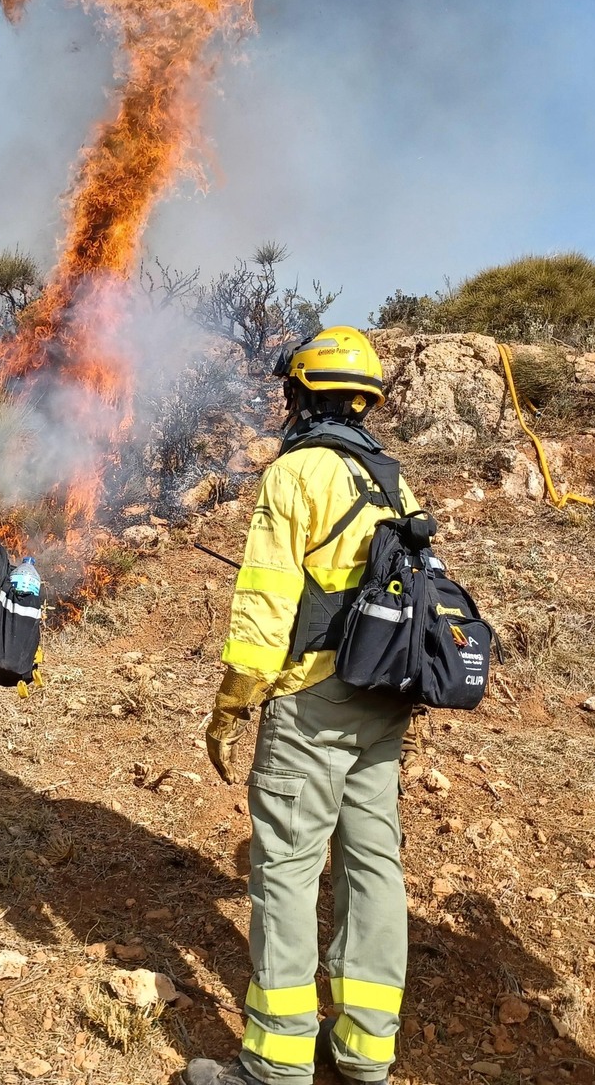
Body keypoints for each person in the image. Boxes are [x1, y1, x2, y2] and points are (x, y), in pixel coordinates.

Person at [187, 326, 420, 1085]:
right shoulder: (391, 480)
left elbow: (265, 604)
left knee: (285, 870)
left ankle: (278, 1060)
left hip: (310, 699)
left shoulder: (297, 475)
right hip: (383, 698)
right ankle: (364, 1054)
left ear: (300, 396)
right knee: (372, 866)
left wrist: (232, 704)